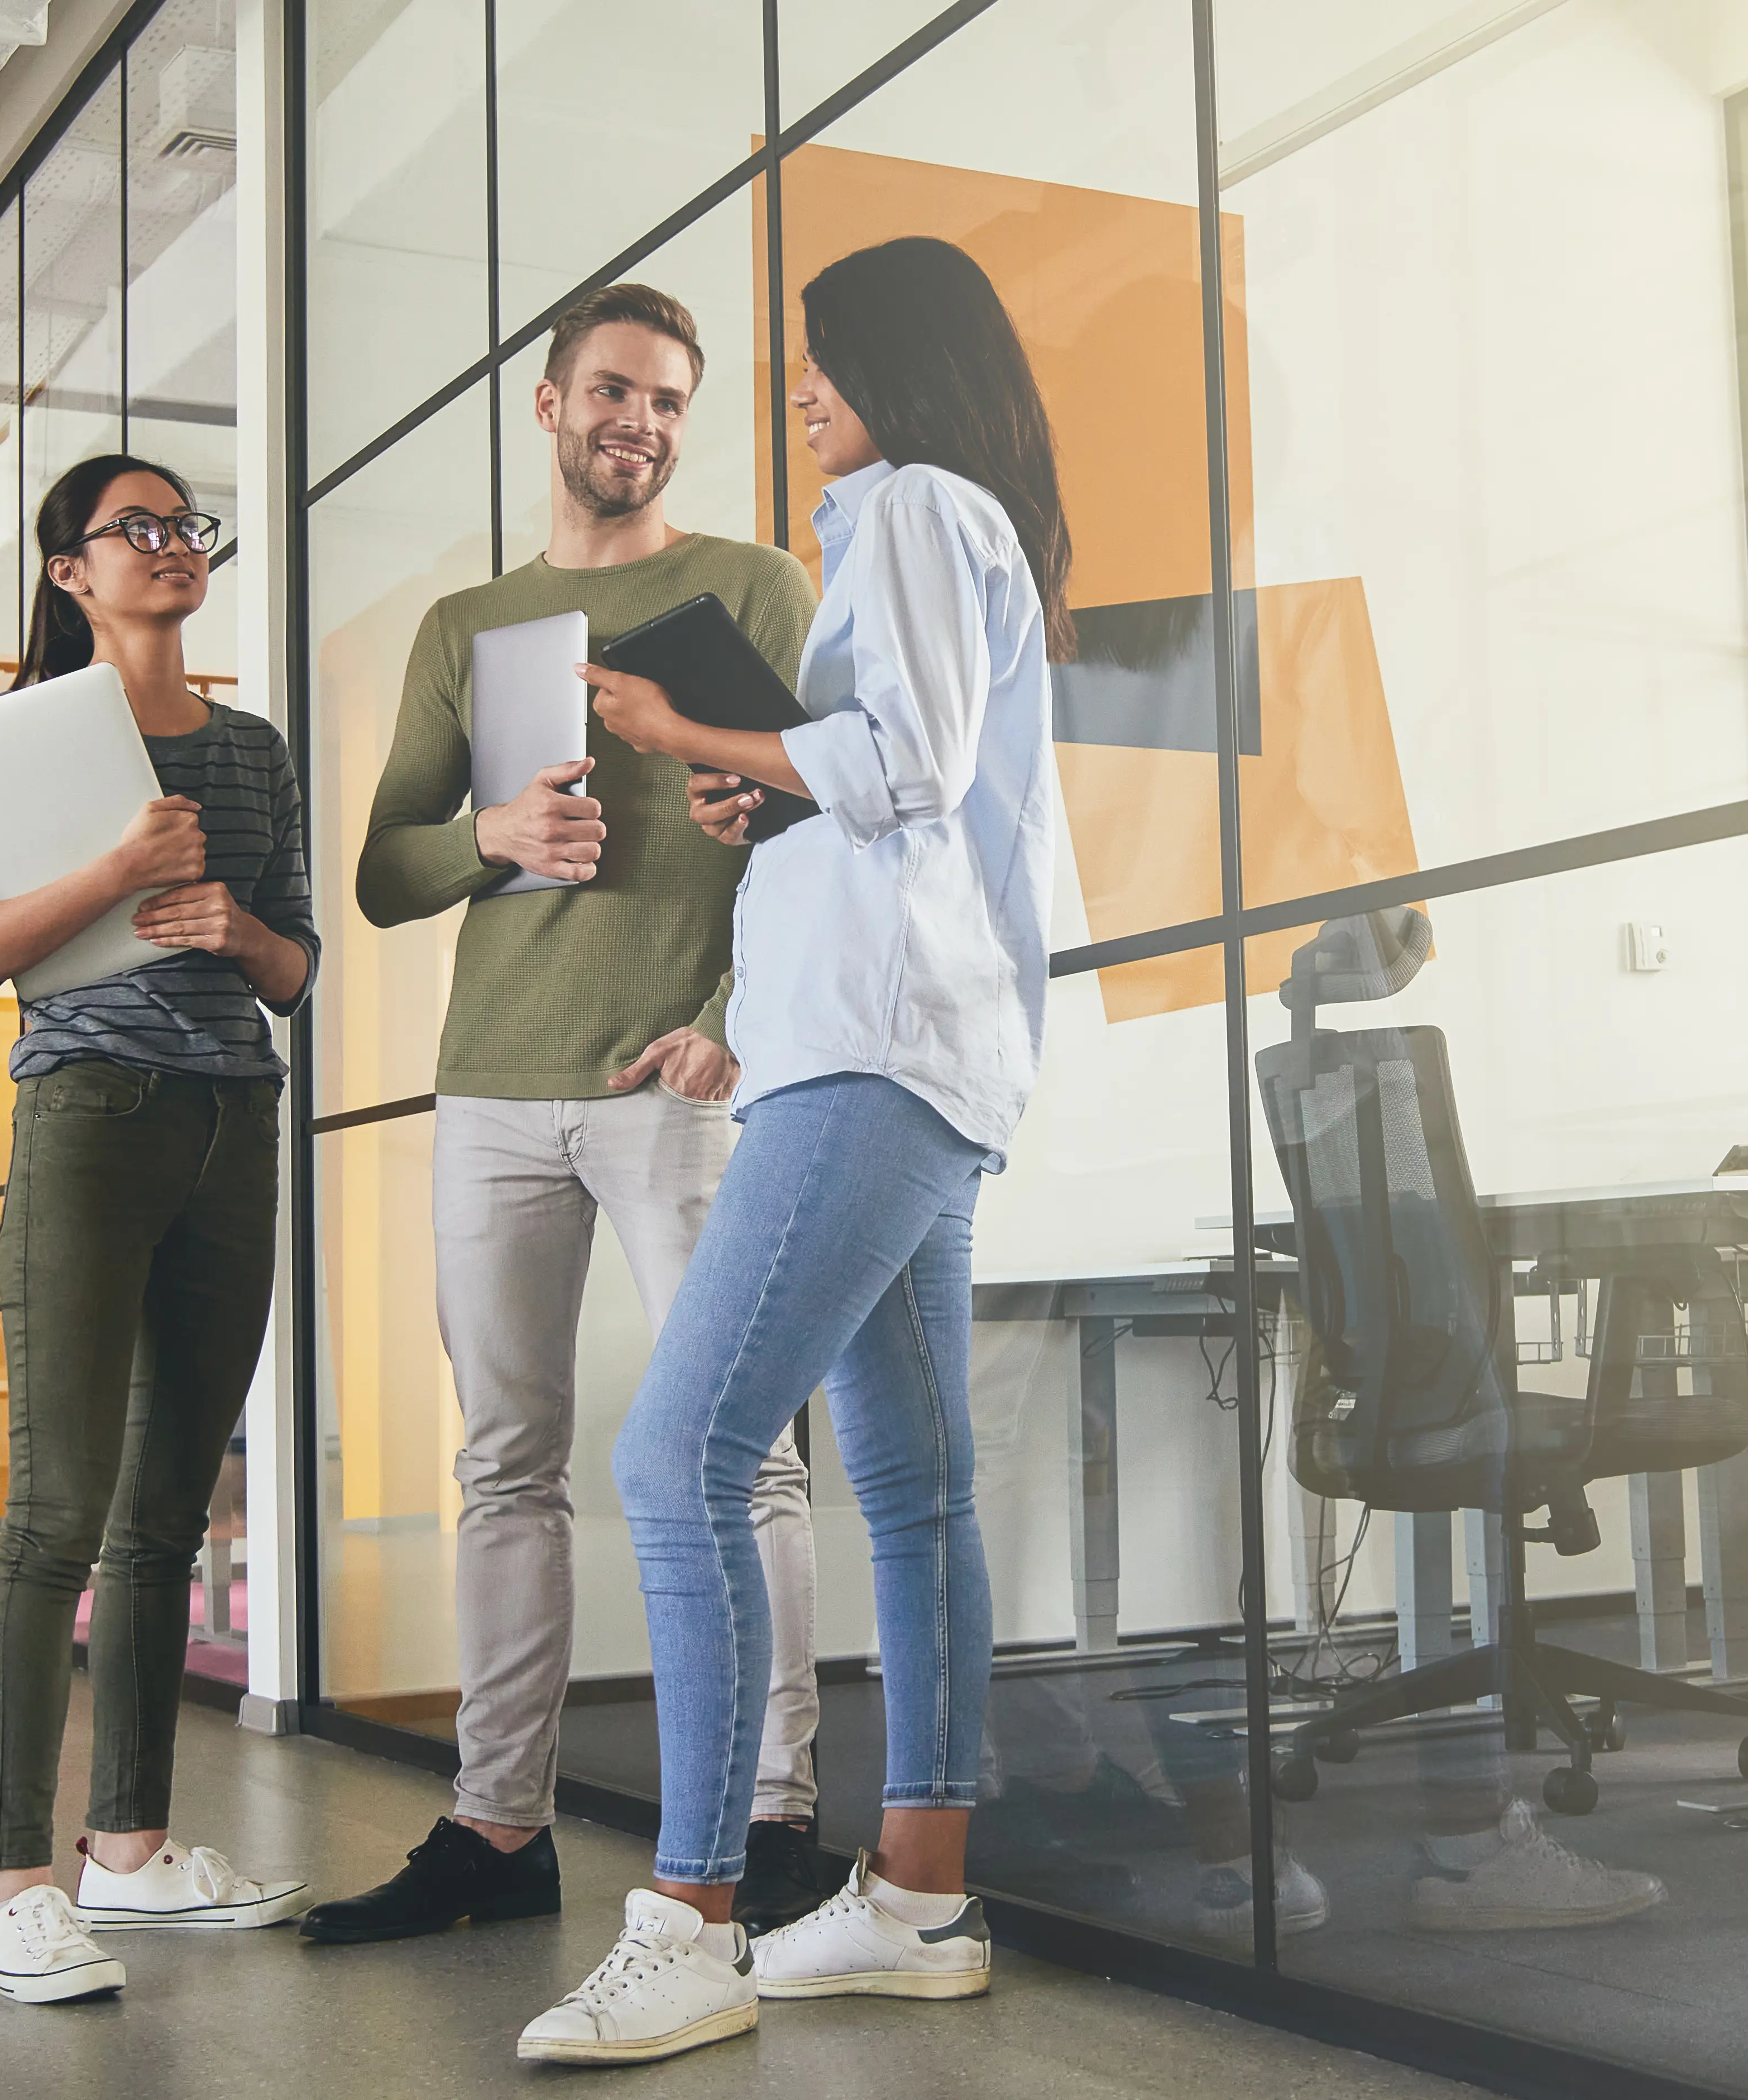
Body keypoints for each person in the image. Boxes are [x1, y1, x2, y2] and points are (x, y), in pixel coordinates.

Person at [516, 235, 1069, 2066]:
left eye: (815, 361)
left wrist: (682, 724)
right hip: (924, 1045)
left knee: (680, 1458)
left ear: (890, 365)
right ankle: (916, 1894)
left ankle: (687, 1915)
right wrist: (774, 778)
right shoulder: (963, 526)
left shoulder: (906, 504)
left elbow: (903, 759)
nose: (800, 394)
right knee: (910, 1491)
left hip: (877, 1058)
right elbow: (897, 783)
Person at [312, 283, 849, 1950]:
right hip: (490, 1084)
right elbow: (384, 874)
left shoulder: (751, 582)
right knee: (504, 1465)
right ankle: (495, 1829)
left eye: (672, 400)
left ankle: (771, 1821)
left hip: (669, 1083)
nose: (644, 421)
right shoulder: (472, 625)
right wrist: (493, 838)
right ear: (547, 405)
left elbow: (832, 816)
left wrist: (723, 1028)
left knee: (740, 1458)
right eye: (614, 390)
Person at [0, 454, 322, 2005]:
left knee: (170, 1517)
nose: (170, 547)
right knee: (58, 1513)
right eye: (134, 530)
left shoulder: (256, 752)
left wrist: (238, 926)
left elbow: (295, 969)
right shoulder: (12, 749)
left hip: (234, 1122)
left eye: (183, 526)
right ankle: (10, 1881)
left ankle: (130, 1855)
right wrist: (117, 870)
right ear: (69, 571)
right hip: (90, 1117)